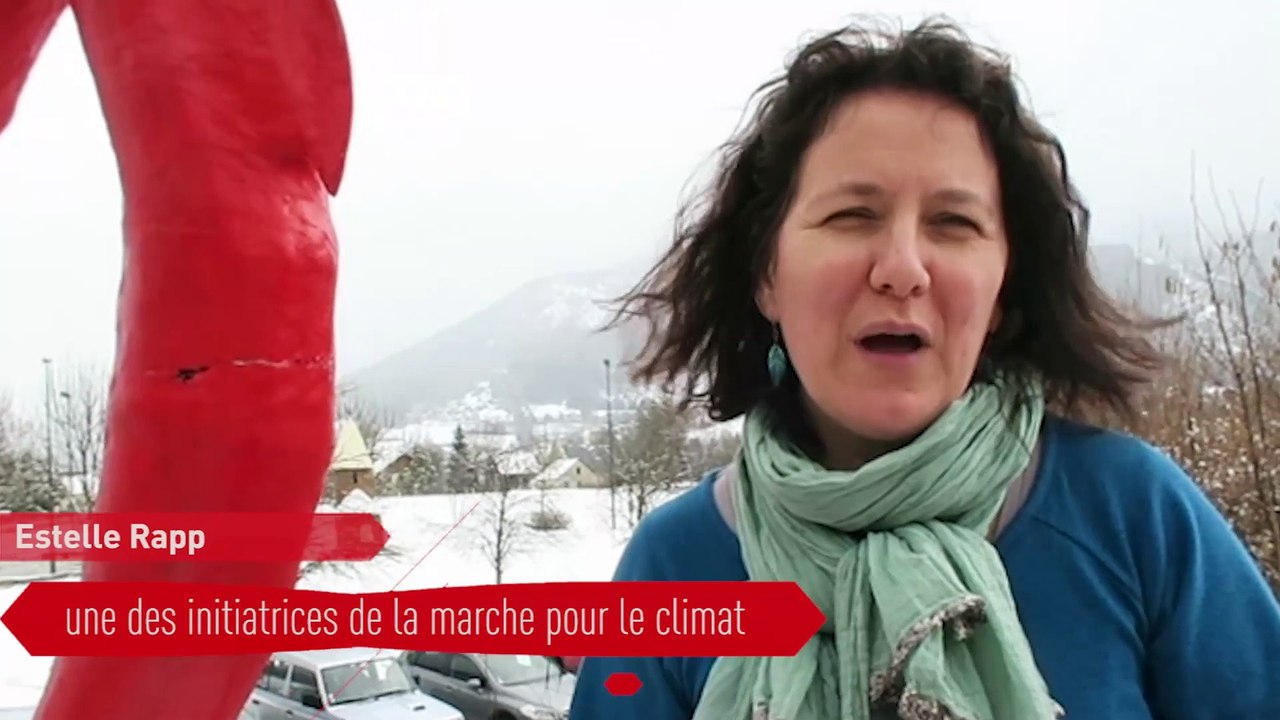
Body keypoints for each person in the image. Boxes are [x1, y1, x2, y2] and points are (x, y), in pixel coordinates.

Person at [568, 16, 1280, 720]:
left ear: (1003, 290)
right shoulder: (675, 567)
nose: (903, 268)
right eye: (852, 215)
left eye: (954, 224)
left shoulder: (1131, 517)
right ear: (767, 275)